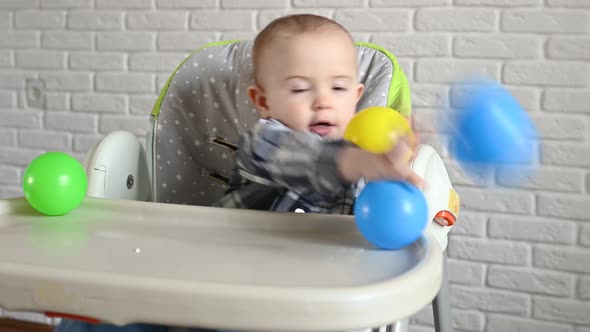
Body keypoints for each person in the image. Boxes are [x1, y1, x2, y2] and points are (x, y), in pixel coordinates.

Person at [214, 14, 423, 214]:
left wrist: (416, 202)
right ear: (263, 101)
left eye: (338, 88)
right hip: (238, 247)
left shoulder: (364, 155)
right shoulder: (262, 142)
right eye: (300, 89)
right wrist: (359, 162)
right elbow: (311, 158)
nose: (323, 102)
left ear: (356, 96)